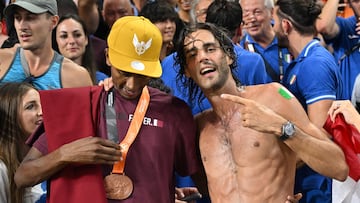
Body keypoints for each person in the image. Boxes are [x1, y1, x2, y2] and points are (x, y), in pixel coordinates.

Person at [14, 16, 200, 203]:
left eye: (143, 76)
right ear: (108, 57)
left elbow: (194, 176)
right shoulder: (79, 105)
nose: (132, 85)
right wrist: (65, 154)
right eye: (124, 73)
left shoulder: (174, 111)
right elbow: (22, 176)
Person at [174, 22, 348, 203]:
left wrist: (282, 129)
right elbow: (208, 188)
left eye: (210, 49)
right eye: (192, 54)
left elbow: (338, 167)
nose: (202, 57)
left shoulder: (273, 97)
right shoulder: (199, 128)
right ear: (187, 70)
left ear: (229, 56)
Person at [273, 0, 344, 202]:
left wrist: (278, 170)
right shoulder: (302, 60)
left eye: (275, 22)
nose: (273, 27)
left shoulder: (314, 65)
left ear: (286, 25)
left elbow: (321, 134)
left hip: (317, 187)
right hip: (305, 182)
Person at [0, 0, 93, 89]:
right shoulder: (2, 60)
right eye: (18, 18)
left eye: (30, 18)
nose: (21, 26)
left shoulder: (77, 77)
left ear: (53, 22)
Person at [0, 82, 44, 203]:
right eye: (30, 106)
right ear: (10, 115)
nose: (42, 112)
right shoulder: (1, 169)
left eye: (44, 104)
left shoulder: (51, 158)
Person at [316, 0, 360, 100]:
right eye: (356, 0)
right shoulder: (346, 26)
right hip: (348, 109)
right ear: (348, 3)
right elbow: (323, 26)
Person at [239, 0, 292, 82]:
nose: (252, 18)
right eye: (246, 13)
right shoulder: (240, 49)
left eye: (257, 12)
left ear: (271, 12)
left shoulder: (289, 41)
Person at [53, 13, 108, 84]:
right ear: (56, 41)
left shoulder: (102, 80)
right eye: (64, 36)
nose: (71, 41)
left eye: (77, 35)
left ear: (86, 39)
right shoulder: (48, 81)